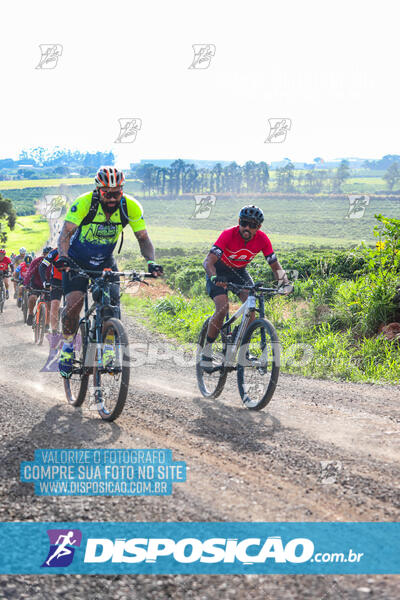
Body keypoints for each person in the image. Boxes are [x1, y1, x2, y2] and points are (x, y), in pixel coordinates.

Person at [55, 166, 163, 378]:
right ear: (98, 190)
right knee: (73, 305)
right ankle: (67, 348)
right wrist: (63, 257)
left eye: (117, 193)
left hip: (105, 262)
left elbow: (143, 238)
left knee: (111, 305)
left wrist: (151, 262)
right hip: (77, 261)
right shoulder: (84, 203)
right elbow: (65, 235)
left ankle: (109, 349)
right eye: (107, 193)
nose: (112, 198)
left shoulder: (129, 206)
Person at [201, 205, 293, 369]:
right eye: (244, 223)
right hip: (218, 271)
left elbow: (274, 264)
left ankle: (242, 348)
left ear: (259, 227)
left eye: (252, 225)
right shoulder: (228, 234)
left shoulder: (263, 239)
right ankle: (206, 353)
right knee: (222, 307)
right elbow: (208, 261)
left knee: (251, 306)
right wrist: (214, 277)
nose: (247, 228)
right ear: (239, 222)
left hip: (238, 272)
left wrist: (284, 283)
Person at [39, 247, 64, 347]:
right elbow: (42, 266)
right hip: (57, 282)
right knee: (54, 305)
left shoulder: (77, 248)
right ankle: (54, 333)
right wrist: (45, 281)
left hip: (71, 281)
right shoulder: (55, 252)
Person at [23, 246, 53, 326]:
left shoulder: (54, 263)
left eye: (50, 255)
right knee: (33, 298)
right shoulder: (36, 261)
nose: (48, 256)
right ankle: (30, 313)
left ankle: (47, 324)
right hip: (36, 284)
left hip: (48, 285)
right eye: (46, 254)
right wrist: (26, 284)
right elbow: (29, 272)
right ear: (43, 254)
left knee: (49, 304)